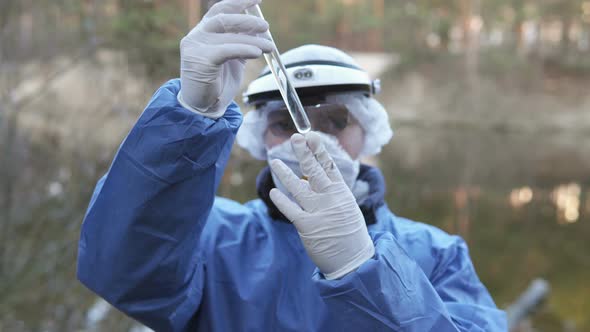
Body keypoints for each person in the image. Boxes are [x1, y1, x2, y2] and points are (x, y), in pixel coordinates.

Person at [77, 0, 507, 331]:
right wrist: (191, 114)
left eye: (336, 121)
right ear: (260, 139)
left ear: (369, 134)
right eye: (286, 123)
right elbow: (122, 272)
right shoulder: (210, 239)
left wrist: (363, 270)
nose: (310, 139)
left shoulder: (436, 254)